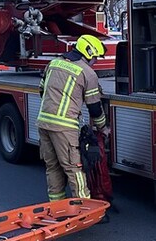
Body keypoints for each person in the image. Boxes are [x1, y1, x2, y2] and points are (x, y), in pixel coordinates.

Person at [37, 34, 109, 201]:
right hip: (64, 127)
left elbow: (42, 90)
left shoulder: (53, 64)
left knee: (53, 167)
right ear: (89, 53)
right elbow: (95, 108)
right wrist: (103, 128)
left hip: (43, 123)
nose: (96, 61)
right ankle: (84, 209)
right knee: (74, 168)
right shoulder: (87, 73)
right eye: (96, 57)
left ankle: (58, 207)